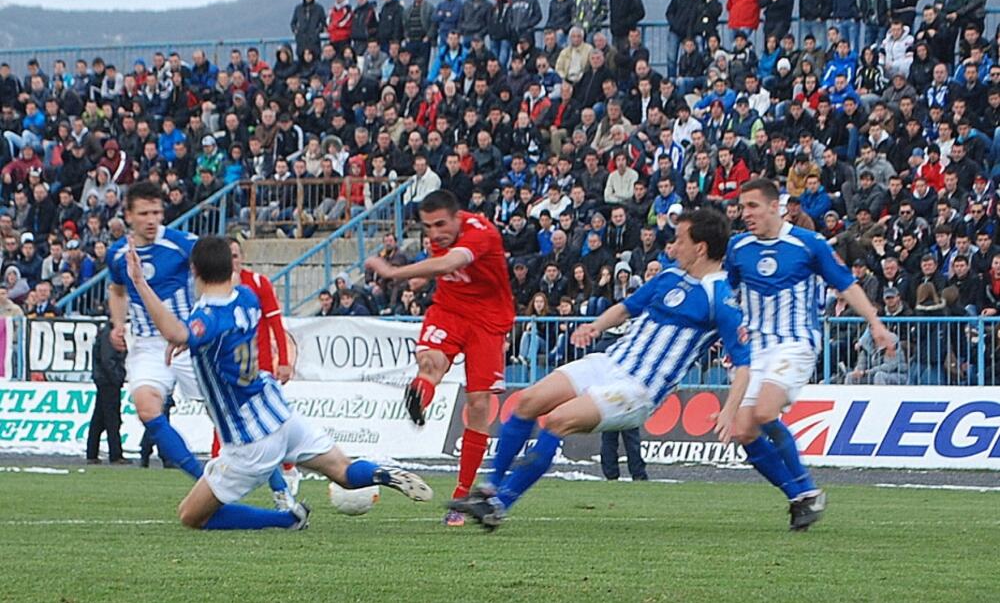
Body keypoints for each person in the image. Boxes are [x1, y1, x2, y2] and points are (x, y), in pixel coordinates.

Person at [449, 208, 750, 531]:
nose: (672, 247)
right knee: (527, 401)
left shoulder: (721, 298)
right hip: (608, 362)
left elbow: (744, 363)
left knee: (556, 421)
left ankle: (499, 504)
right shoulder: (668, 277)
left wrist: (729, 410)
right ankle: (489, 489)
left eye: (679, 240)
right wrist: (594, 326)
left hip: (638, 390)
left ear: (701, 247)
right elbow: (625, 308)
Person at [124, 234, 432, 530]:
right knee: (343, 471)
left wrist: (140, 282)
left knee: (191, 515)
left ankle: (287, 519)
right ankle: (381, 471)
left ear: (194, 271)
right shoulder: (246, 298)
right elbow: (201, 326)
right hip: (281, 414)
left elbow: (179, 332)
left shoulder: (208, 317)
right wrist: (189, 338)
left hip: (250, 437)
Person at [726, 179, 895, 530]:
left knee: (765, 411)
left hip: (795, 341)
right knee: (743, 430)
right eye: (743, 207)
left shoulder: (807, 243)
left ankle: (803, 490)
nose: (746, 214)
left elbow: (846, 284)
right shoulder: (738, 247)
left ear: (775, 206)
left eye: (753, 206)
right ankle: (801, 494)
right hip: (755, 348)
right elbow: (726, 293)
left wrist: (876, 324)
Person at [363, 190, 515, 527]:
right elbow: (443, 269)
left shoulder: (481, 233)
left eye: (440, 224)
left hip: (488, 321)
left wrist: (393, 272)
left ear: (457, 217)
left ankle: (461, 496)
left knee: (477, 404)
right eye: (428, 226)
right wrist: (421, 279)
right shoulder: (438, 236)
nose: (434, 233)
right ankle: (419, 396)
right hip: (448, 309)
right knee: (429, 364)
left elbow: (450, 263)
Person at [107, 181, 204, 481]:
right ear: (129, 215)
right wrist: (118, 324)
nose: (152, 220)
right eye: (144, 213)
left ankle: (279, 485)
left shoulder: (182, 243)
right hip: (148, 345)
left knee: (228, 414)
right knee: (146, 409)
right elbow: (118, 291)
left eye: (157, 212)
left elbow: (214, 277)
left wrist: (202, 323)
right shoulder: (117, 254)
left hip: (187, 342)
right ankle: (204, 480)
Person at [207, 238, 297, 506]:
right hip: (227, 369)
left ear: (242, 257)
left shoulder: (257, 284)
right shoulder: (214, 291)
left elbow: (275, 322)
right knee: (222, 424)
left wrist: (283, 360)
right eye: (228, 256)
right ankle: (217, 480)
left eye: (236, 255)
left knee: (270, 428)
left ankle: (287, 474)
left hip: (261, 369)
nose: (232, 260)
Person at [85, 319, 127, 465]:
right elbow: (108, 360)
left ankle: (92, 452)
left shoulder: (105, 333)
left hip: (104, 380)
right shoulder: (109, 336)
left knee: (99, 419)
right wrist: (118, 377)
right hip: (109, 382)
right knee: (112, 419)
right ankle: (115, 454)